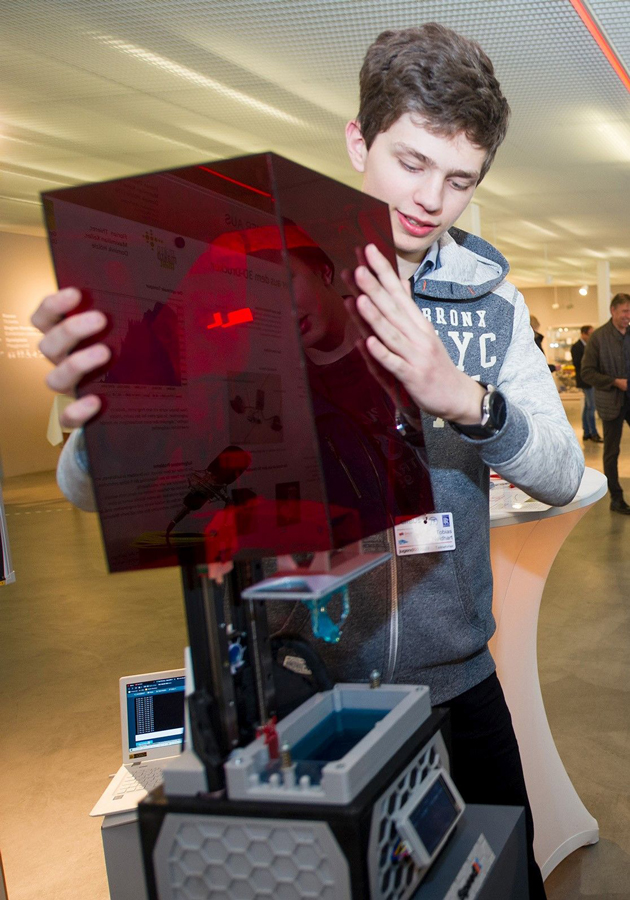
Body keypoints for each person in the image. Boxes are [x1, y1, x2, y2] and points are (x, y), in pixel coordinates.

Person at [32, 23, 583, 898]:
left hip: (459, 687)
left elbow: (559, 472)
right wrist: (105, 409)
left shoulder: (493, 300)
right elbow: (89, 489)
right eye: (410, 162)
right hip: (301, 694)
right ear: (358, 141)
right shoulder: (245, 278)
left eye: (460, 179)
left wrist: (463, 398)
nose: (432, 199)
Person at [581, 293, 630, 513]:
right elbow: (587, 372)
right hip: (611, 403)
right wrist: (614, 382)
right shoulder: (599, 337)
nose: (628, 316)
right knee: (611, 451)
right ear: (613, 311)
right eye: (625, 311)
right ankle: (616, 498)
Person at [571, 325, 602, 443]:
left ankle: (587, 432)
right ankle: (593, 433)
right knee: (591, 407)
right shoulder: (576, 347)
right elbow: (579, 364)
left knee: (588, 407)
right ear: (583, 334)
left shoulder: (590, 346)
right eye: (590, 334)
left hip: (590, 380)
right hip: (585, 381)